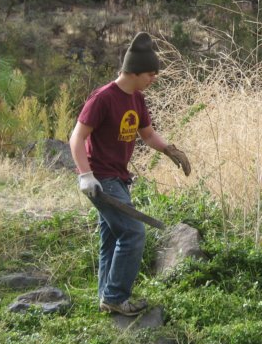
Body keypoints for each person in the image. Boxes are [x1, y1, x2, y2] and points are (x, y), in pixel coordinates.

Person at [69, 32, 191, 316]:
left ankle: (107, 297)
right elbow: (76, 139)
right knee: (134, 233)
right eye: (151, 73)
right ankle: (115, 297)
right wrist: (85, 175)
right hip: (101, 178)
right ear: (134, 72)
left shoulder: (137, 99)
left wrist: (171, 150)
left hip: (119, 178)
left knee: (112, 236)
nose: (154, 79)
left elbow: (147, 135)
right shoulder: (102, 98)